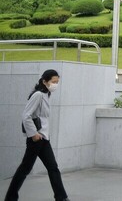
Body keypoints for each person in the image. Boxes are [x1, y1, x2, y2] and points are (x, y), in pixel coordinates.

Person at [5, 69, 70, 201]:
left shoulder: (46, 94)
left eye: (57, 82)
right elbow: (26, 115)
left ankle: (61, 197)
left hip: (44, 138)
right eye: (53, 82)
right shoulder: (38, 95)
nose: (56, 85)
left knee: (53, 168)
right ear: (45, 81)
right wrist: (33, 134)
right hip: (36, 139)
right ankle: (10, 197)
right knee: (25, 169)